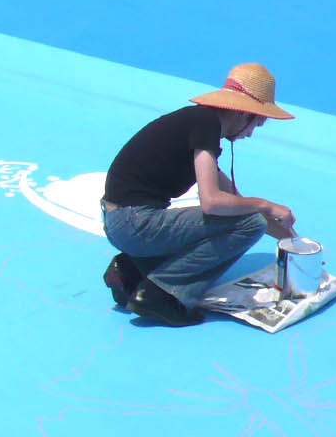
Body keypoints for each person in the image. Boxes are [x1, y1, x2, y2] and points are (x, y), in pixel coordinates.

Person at [99, 62, 296, 327]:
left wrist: (293, 243)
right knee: (251, 224)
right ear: (243, 113)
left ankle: (130, 271)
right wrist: (266, 204)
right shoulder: (206, 124)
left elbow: (236, 202)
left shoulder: (197, 125)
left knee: (247, 220)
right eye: (256, 124)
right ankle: (162, 294)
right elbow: (213, 203)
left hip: (121, 222)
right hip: (133, 223)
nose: (250, 135)